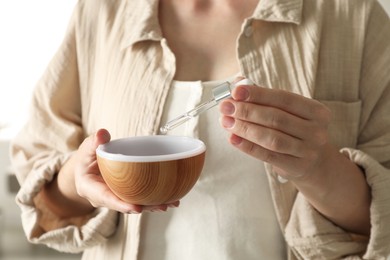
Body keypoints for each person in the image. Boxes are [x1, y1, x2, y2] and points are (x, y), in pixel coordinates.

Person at [10, 0, 390, 259]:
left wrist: (318, 167)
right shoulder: (104, 12)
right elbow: (42, 186)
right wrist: (79, 179)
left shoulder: (351, 14)